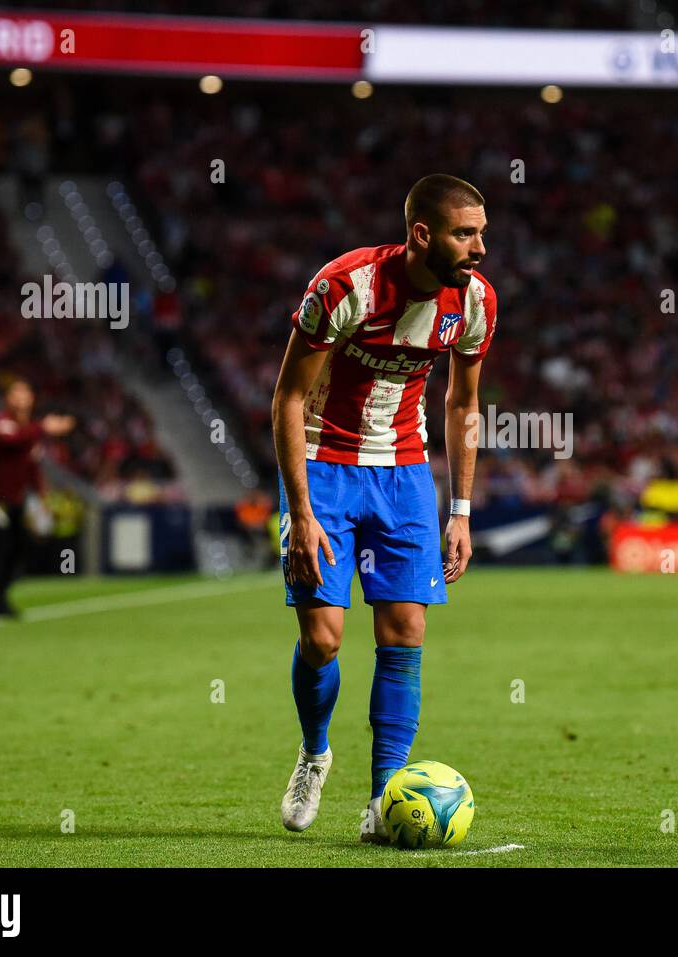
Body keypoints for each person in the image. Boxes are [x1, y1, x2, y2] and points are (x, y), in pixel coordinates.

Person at [272, 174, 496, 843]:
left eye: (482, 231)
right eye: (466, 233)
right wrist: (301, 511)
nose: (481, 247)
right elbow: (287, 396)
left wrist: (459, 509)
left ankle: (383, 800)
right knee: (323, 638)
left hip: (402, 474)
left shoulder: (476, 302)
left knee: (404, 633)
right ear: (422, 234)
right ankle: (315, 752)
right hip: (322, 464)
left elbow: (462, 403)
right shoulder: (344, 286)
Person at [0, 379, 74, 617]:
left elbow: (32, 466)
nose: (22, 398)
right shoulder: (3, 422)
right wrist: (43, 427)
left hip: (17, 498)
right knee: (0, 548)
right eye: (17, 393)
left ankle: (0, 594)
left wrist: (43, 496)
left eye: (26, 393)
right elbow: (8, 440)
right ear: (8, 399)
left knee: (21, 548)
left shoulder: (29, 430)